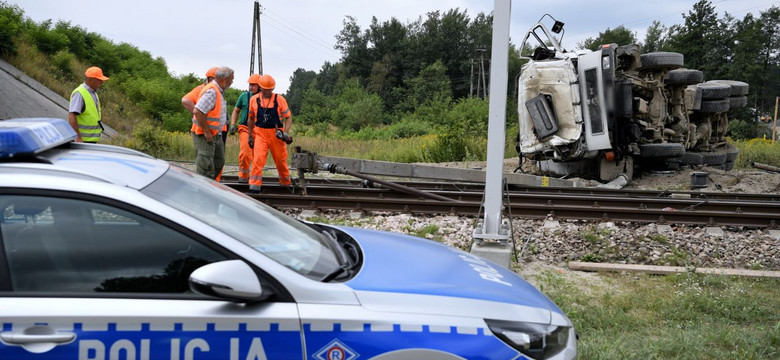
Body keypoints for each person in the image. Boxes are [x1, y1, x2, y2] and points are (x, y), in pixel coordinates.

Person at [247, 74, 293, 193]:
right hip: (260, 134)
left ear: (273, 88)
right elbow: (251, 119)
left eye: (270, 89)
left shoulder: (280, 99)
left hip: (276, 135)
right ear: (260, 87)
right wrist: (250, 136)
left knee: (281, 162)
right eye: (265, 89)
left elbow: (288, 118)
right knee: (257, 161)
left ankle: (286, 185)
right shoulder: (253, 100)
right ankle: (254, 188)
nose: (267, 91)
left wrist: (286, 133)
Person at [191, 66, 234, 180]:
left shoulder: (218, 90)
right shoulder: (212, 91)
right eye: (231, 79)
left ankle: (209, 187)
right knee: (205, 167)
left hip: (215, 134)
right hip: (205, 135)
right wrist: (206, 131)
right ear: (225, 79)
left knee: (219, 162)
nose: (232, 82)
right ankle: (202, 190)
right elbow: (198, 111)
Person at [229, 74, 262, 183]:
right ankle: (243, 178)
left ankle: (255, 180)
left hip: (259, 130)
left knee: (257, 156)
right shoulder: (243, 96)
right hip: (245, 128)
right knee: (245, 153)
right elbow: (236, 111)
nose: (251, 87)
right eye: (250, 85)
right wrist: (233, 124)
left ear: (260, 86)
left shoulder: (264, 98)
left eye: (254, 85)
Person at [68, 66, 109, 143]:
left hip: (90, 141)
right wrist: (78, 137)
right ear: (91, 80)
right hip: (82, 141)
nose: (101, 82)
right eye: (99, 80)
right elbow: (71, 116)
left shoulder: (93, 93)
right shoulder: (80, 93)